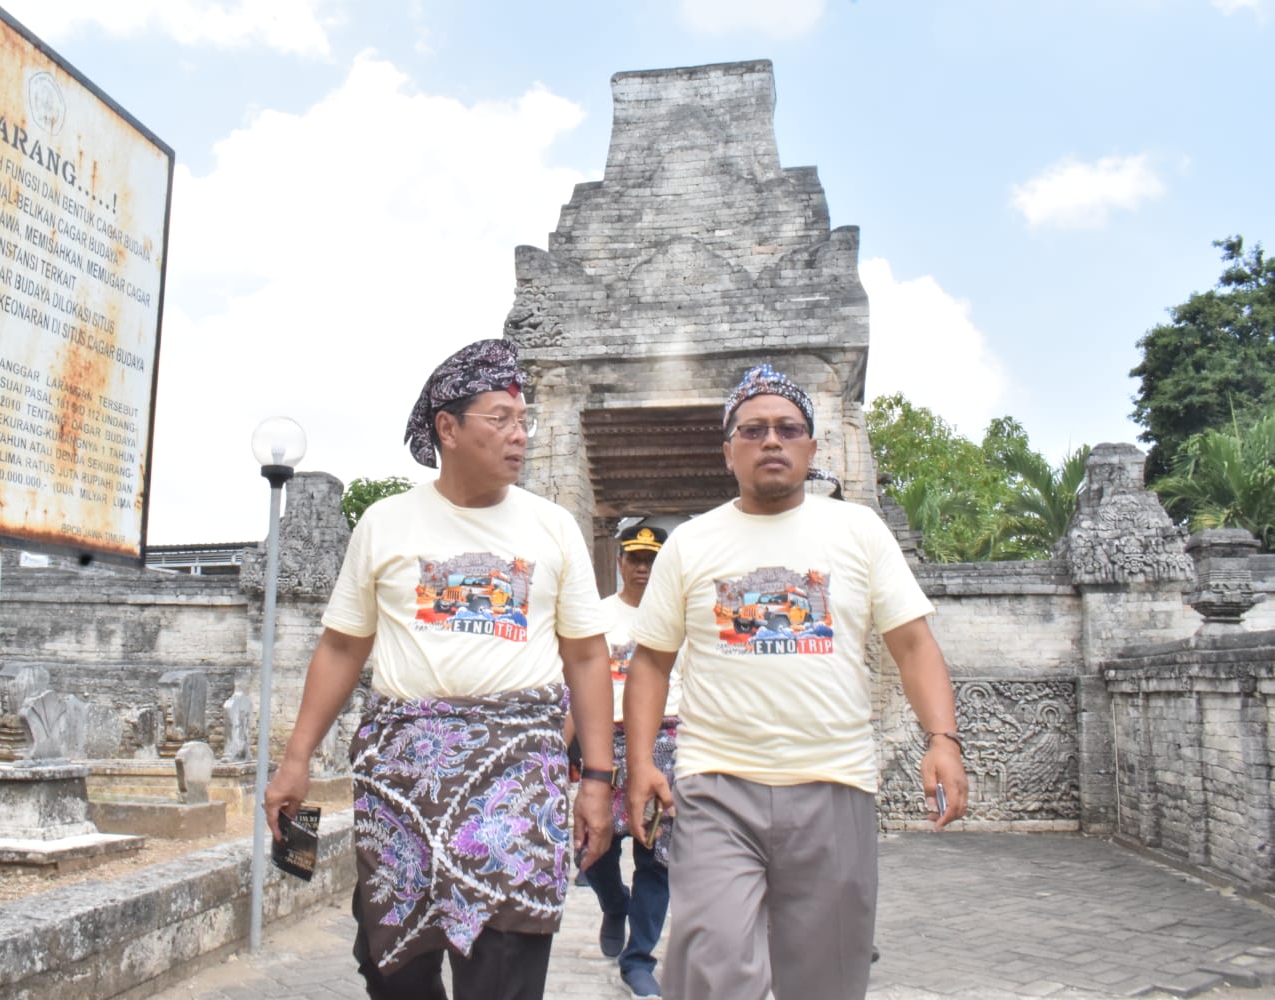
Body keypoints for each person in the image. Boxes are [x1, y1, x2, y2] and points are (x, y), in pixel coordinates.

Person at [263, 338, 615, 1000]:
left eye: (523, 420)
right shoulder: (386, 523)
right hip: (401, 776)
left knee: (505, 959)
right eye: (501, 418)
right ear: (447, 428)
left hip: (514, 777)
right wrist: (296, 758)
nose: (520, 436)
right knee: (391, 962)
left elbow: (587, 656)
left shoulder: (553, 528)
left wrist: (597, 778)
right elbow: (343, 647)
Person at [622, 365, 969, 1000]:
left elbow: (914, 644)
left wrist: (942, 739)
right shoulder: (691, 544)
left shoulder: (858, 531)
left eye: (788, 428)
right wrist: (641, 761)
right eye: (753, 430)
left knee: (825, 979)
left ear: (811, 448)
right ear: (729, 451)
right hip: (715, 785)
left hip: (834, 782)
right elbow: (651, 662)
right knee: (712, 966)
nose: (772, 440)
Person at [579, 522, 681, 1000]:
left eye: (652, 560)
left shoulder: (684, 616)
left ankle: (638, 959)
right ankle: (613, 902)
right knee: (592, 847)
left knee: (656, 858)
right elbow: (574, 681)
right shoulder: (597, 616)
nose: (643, 568)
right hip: (606, 739)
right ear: (620, 562)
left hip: (669, 739)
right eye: (635, 559)